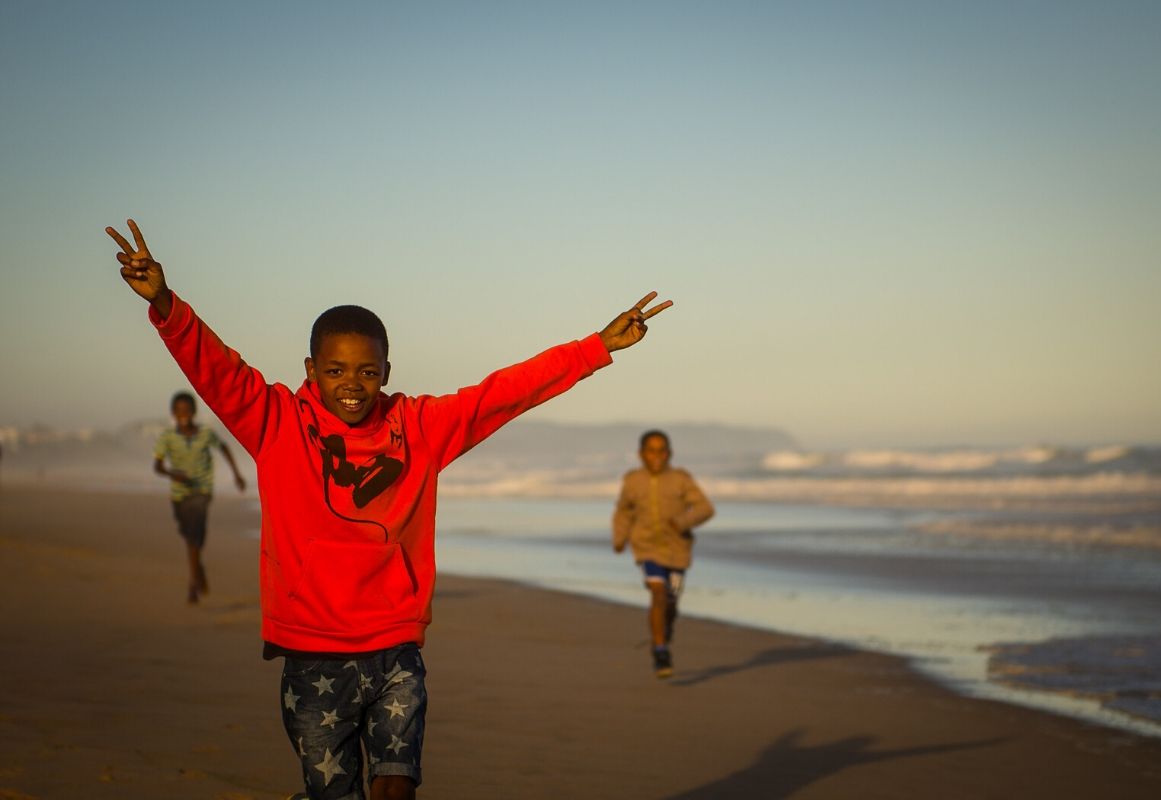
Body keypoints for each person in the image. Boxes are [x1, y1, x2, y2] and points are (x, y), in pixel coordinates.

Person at [105, 218, 671, 800]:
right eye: (335, 371)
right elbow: (216, 369)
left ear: (386, 373)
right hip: (314, 655)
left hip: (394, 647)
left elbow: (503, 394)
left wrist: (596, 347)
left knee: (397, 789)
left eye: (367, 371)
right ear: (310, 372)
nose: (352, 384)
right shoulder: (275, 422)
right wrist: (167, 305)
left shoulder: (420, 427)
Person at [612, 430, 714, 678]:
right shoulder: (632, 480)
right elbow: (624, 511)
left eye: (662, 450)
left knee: (671, 602)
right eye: (651, 450)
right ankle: (660, 650)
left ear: (669, 453)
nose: (656, 456)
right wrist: (620, 537)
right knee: (658, 593)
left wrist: (682, 522)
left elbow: (704, 508)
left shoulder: (680, 479)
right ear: (641, 454)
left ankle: (665, 631)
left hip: (678, 551)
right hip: (646, 547)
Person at [154, 390, 247, 604]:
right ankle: (199, 568)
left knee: (195, 534)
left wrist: (237, 474)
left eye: (187, 410)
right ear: (173, 414)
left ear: (194, 412)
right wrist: (172, 474)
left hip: (202, 491)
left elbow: (224, 448)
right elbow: (157, 466)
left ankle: (193, 583)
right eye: (179, 411)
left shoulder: (206, 434)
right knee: (190, 536)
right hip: (179, 494)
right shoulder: (167, 437)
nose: (183, 414)